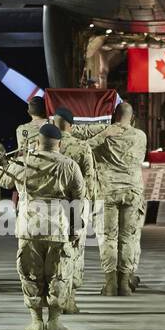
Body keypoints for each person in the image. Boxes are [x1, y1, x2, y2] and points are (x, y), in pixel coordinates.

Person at [0, 122, 86, 330]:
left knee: (30, 273)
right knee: (58, 274)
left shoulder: (24, 162)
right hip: (58, 229)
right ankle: (54, 321)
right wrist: (75, 229)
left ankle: (35, 321)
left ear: (37, 142)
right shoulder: (69, 165)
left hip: (30, 228)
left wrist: (4, 162)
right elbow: (78, 199)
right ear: (59, 144)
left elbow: (2, 179)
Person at [83, 101, 147, 295]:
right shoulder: (140, 136)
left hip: (107, 192)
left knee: (108, 238)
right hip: (132, 193)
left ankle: (110, 284)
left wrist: (103, 133)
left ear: (113, 116)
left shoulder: (104, 134)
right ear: (132, 117)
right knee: (127, 238)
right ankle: (125, 284)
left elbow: (82, 148)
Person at [52, 108, 97, 314]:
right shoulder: (81, 146)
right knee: (75, 251)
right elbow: (89, 179)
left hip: (52, 207)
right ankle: (69, 299)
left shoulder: (46, 145)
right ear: (71, 125)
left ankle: (54, 299)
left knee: (53, 252)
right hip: (76, 206)